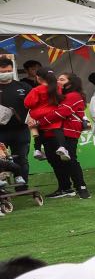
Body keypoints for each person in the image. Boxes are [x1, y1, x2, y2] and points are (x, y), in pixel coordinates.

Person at [26, 72, 89, 199]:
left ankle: (81, 187)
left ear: (71, 82)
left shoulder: (73, 95)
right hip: (49, 131)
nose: (58, 81)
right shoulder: (57, 95)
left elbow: (61, 113)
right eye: (58, 79)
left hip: (67, 131)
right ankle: (65, 188)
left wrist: (39, 121)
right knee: (55, 161)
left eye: (62, 79)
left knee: (70, 159)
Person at [0, 56, 32, 189]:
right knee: (1, 160)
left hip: (21, 130)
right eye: (1, 72)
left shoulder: (23, 86)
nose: (5, 74)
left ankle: (22, 185)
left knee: (22, 159)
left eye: (8, 71)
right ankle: (2, 187)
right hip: (1, 131)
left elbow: (35, 105)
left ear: (12, 70)